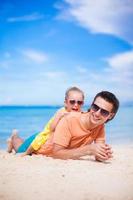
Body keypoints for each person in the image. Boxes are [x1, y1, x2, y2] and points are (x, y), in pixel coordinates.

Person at [34, 90, 119, 162]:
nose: (97, 114)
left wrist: (102, 153)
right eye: (95, 107)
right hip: (38, 145)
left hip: (50, 137)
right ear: (91, 105)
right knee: (20, 144)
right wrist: (89, 149)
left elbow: (98, 153)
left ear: (110, 116)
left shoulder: (100, 126)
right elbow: (56, 154)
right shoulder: (69, 119)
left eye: (104, 112)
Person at [7, 86, 85, 155]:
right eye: (72, 102)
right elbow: (51, 128)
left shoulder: (80, 115)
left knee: (23, 144)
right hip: (40, 139)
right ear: (65, 103)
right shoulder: (61, 112)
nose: (76, 105)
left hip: (46, 145)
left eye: (79, 102)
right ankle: (14, 137)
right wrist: (60, 118)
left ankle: (15, 138)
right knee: (19, 149)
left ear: (82, 103)